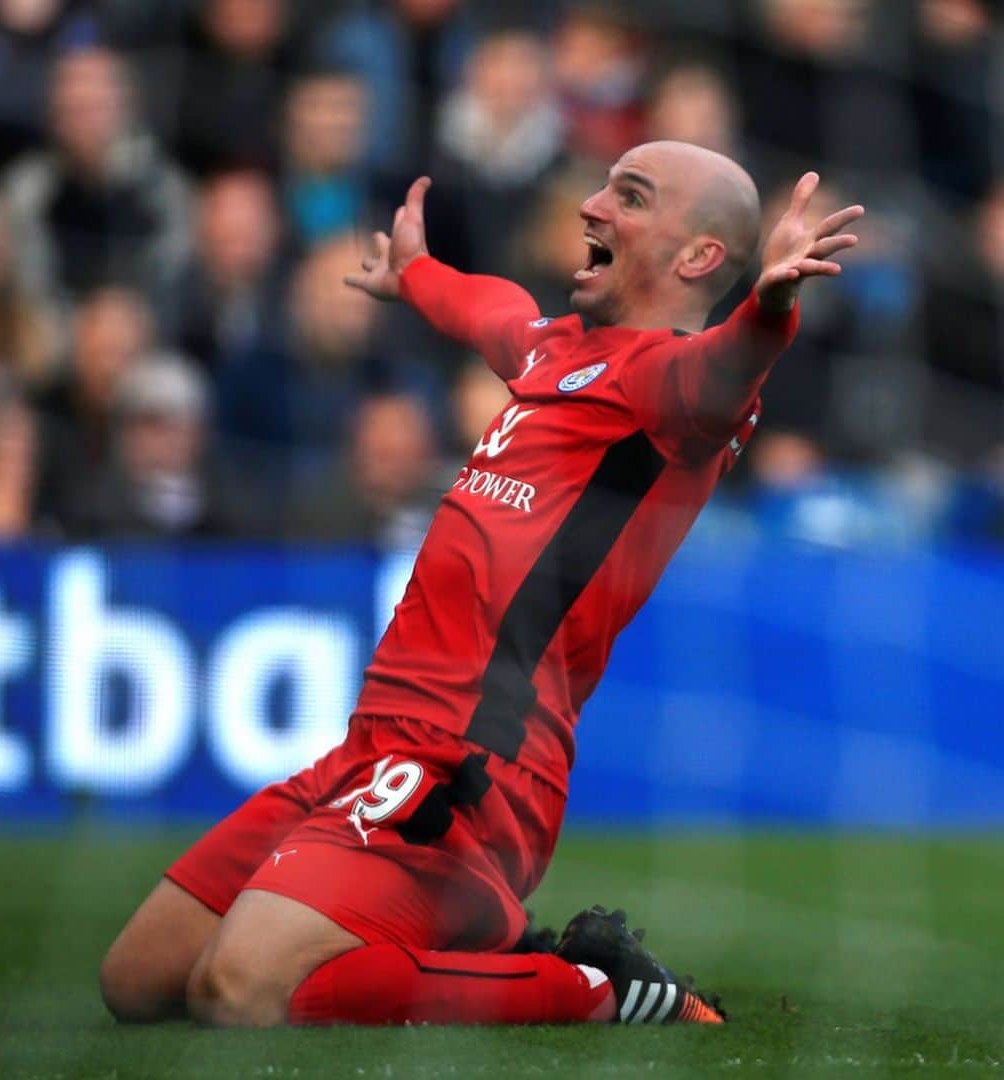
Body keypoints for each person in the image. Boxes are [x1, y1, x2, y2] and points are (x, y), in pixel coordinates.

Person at [100, 139, 862, 1028]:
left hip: (471, 766)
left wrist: (772, 308)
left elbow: (731, 361)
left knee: (241, 992)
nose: (592, 207)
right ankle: (467, 945)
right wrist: (417, 272)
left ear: (698, 257)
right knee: (140, 980)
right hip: (372, 749)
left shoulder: (671, 389)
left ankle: (593, 987)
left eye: (631, 196)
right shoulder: (558, 350)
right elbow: (486, 307)